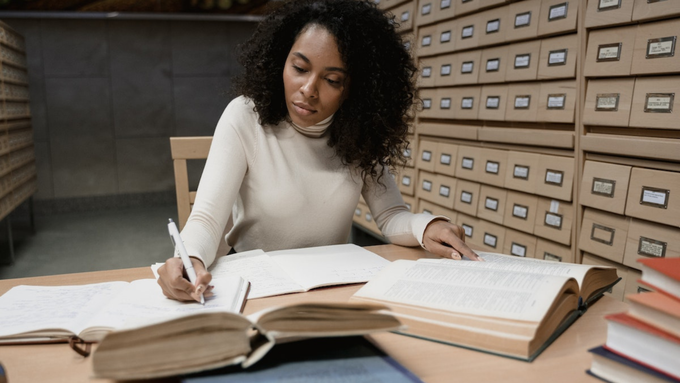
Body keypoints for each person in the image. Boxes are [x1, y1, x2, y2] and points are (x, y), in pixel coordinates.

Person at [158, 0, 481, 303]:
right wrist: (192, 258)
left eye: (332, 80)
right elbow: (207, 218)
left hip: (333, 285)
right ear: (279, 61)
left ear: (354, 88)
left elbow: (391, 215)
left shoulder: (358, 133)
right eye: (300, 68)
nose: (309, 90)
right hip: (257, 284)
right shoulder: (245, 116)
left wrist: (426, 226)